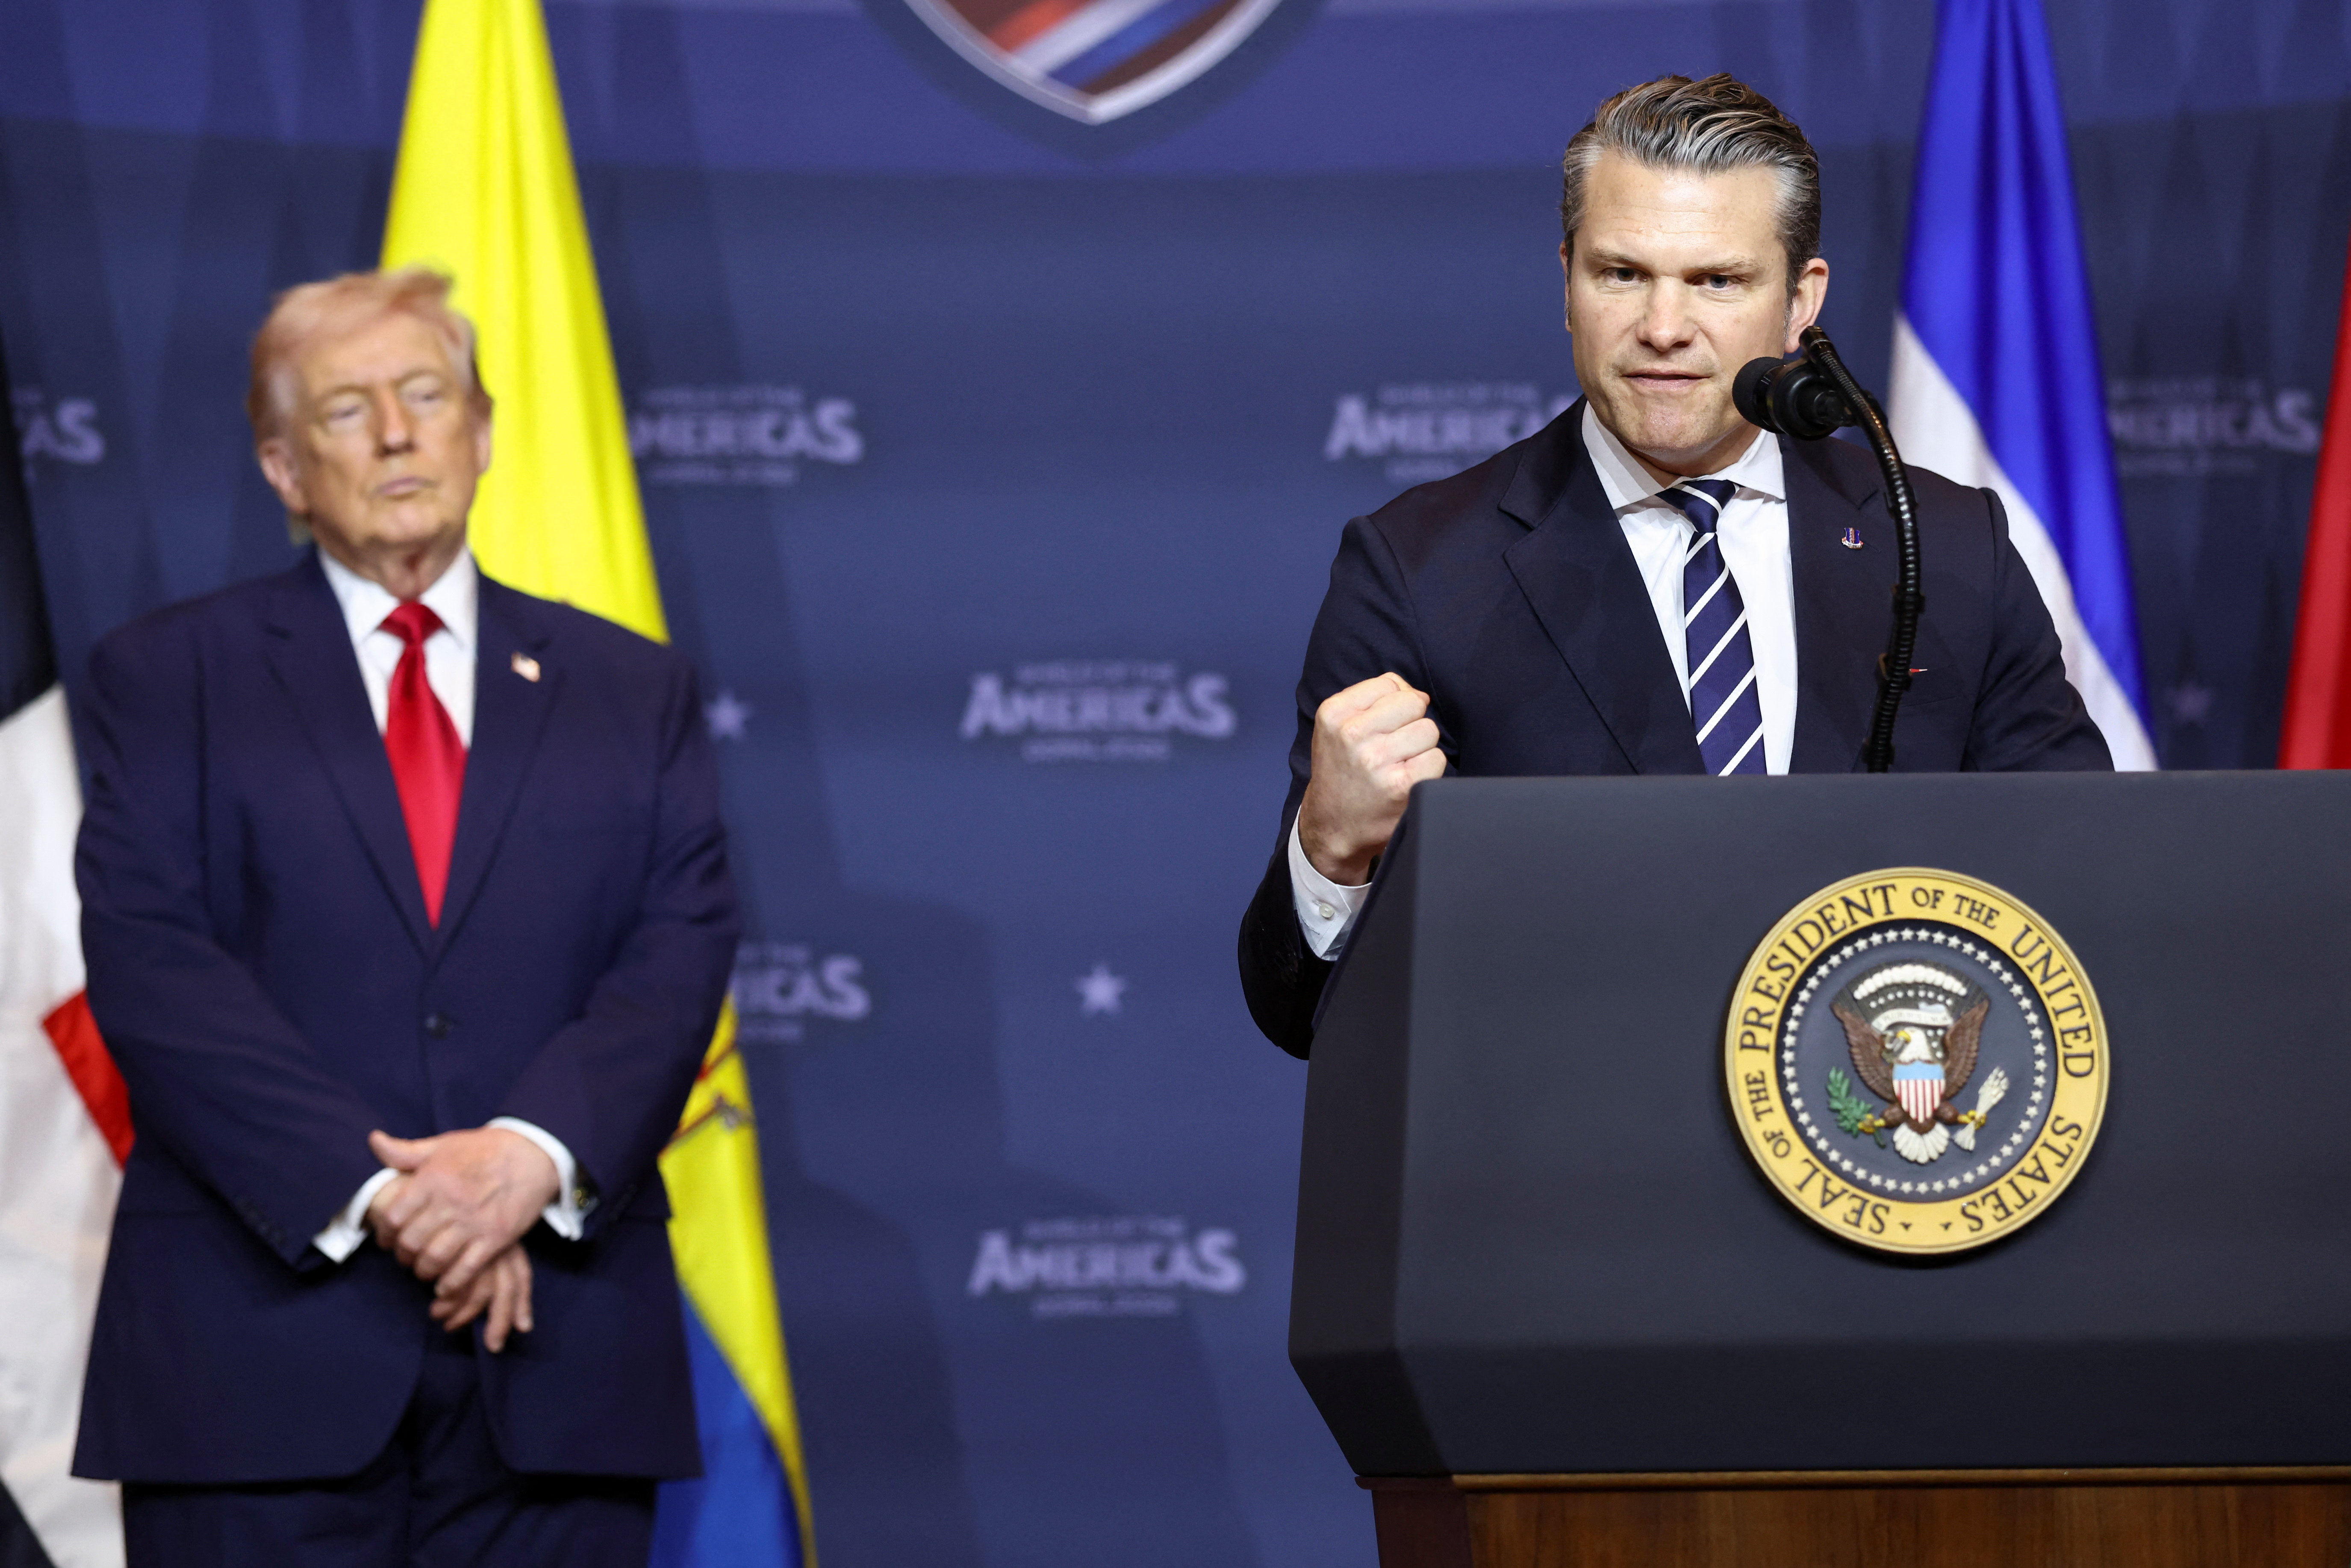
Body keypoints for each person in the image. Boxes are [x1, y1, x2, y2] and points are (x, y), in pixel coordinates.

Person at [71, 268, 738, 1566]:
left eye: (426, 395)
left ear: (481, 431)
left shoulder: (630, 687)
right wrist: (389, 1192)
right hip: (257, 1360)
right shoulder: (166, 677)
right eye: (346, 409)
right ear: (282, 466)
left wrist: (523, 1163)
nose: (395, 433)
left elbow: (676, 954)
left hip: (558, 1364)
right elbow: (156, 971)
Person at [1238, 74, 2112, 1056]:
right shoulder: (1420, 566)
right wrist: (1330, 849)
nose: (1662, 327)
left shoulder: (1947, 548)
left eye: (1716, 281)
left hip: (1888, 1158)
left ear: (1799, 302)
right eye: (1620, 274)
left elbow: (2082, 887)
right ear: (1565, 281)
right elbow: (1295, 1015)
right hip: (1572, 1174)